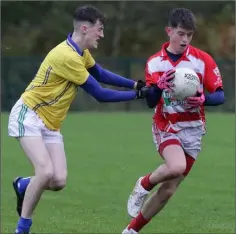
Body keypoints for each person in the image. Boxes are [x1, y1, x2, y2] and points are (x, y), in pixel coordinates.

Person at [8, 5, 148, 234]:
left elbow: (101, 74)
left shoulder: (80, 52)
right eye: (99, 29)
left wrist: (135, 85)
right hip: (29, 114)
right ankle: (22, 228)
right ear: (85, 28)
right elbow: (100, 94)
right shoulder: (66, 56)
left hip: (50, 123)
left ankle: (24, 184)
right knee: (45, 172)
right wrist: (139, 95)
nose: (102, 35)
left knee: (58, 181)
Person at [122, 8, 224, 234]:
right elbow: (151, 102)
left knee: (168, 190)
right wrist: (158, 88)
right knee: (176, 166)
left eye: (189, 34)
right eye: (180, 33)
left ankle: (131, 230)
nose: (185, 39)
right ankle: (144, 183)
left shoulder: (202, 60)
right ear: (169, 31)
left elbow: (220, 95)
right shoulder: (155, 64)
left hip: (194, 130)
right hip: (166, 125)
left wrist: (203, 99)